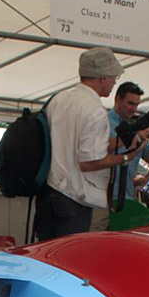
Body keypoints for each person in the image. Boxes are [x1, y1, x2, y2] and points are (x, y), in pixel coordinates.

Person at [35, 47, 136, 240]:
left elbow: (68, 143)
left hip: (49, 190)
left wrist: (122, 143)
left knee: (44, 256)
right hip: (75, 196)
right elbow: (89, 162)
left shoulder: (59, 99)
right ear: (101, 78)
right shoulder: (95, 110)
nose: (115, 81)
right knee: (68, 261)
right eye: (113, 76)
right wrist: (125, 157)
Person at [108, 81, 149, 207]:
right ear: (117, 99)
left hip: (128, 198)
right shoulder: (104, 123)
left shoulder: (135, 126)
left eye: (136, 105)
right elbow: (102, 150)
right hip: (105, 198)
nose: (133, 109)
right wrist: (132, 137)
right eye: (130, 103)